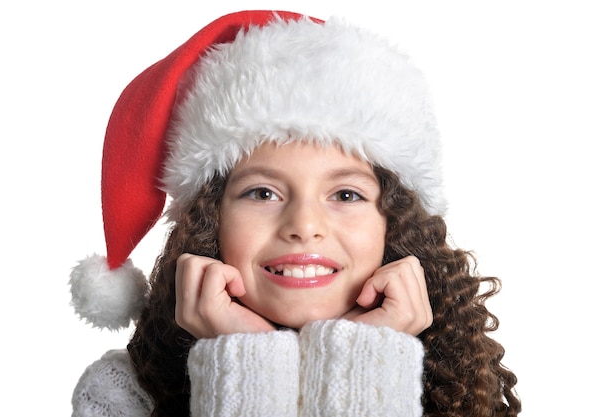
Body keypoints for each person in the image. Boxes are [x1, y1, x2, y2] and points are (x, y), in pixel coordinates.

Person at [69, 10, 521, 417]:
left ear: (395, 225)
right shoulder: (121, 397)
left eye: (345, 195)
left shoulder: (463, 395)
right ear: (209, 221)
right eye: (262, 193)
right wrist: (244, 360)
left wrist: (368, 360)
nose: (304, 227)